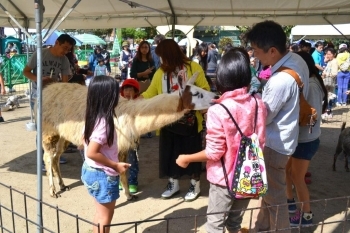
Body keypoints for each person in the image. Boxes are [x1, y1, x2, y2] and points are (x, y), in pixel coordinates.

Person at [176, 48, 267, 233]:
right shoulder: (259, 102)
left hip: (224, 179)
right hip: (249, 176)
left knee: (215, 225)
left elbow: (214, 152)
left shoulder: (219, 111)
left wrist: (187, 158)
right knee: (234, 223)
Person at [244, 20, 309, 232]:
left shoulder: (280, 80)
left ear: (272, 51)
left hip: (274, 145)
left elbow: (265, 116)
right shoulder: (297, 60)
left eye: (255, 50)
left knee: (276, 199)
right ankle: (261, 228)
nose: (254, 56)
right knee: (270, 193)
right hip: (286, 140)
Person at [141, 39, 210, 201]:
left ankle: (195, 184)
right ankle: (173, 183)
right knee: (170, 153)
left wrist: (189, 94)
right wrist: (136, 99)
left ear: (169, 55)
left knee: (191, 152)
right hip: (168, 122)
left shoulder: (194, 67)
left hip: (190, 121)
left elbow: (205, 90)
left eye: (162, 57)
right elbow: (151, 93)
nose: (160, 60)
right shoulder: (160, 73)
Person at [81, 75, 130, 233]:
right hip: (103, 175)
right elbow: (92, 152)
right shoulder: (104, 123)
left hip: (90, 170)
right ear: (109, 97)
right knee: (105, 218)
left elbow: (84, 141)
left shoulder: (91, 116)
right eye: (116, 93)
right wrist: (115, 164)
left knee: (100, 214)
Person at [286, 51, 328, 227]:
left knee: (298, 179)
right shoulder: (309, 81)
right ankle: (290, 204)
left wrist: (291, 118)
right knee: (287, 172)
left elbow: (311, 117)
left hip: (305, 141)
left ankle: (307, 216)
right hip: (300, 139)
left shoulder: (311, 84)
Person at [23, 33, 75, 167]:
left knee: (57, 127)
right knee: (42, 128)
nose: (65, 51)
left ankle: (55, 155)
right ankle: (42, 158)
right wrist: (39, 79)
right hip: (38, 95)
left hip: (53, 97)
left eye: (68, 49)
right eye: (64, 47)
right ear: (56, 42)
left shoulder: (64, 60)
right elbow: (26, 71)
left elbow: (64, 82)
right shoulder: (40, 53)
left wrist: (62, 93)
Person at [120, 79, 141, 193]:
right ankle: (121, 180)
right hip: (120, 137)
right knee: (119, 159)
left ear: (135, 91)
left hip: (133, 137)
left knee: (133, 160)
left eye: (130, 89)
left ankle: (133, 181)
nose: (127, 92)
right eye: (125, 89)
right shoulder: (119, 102)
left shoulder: (138, 103)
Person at [322, 47, 338, 113]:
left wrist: (326, 75)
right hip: (326, 81)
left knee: (329, 97)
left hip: (330, 82)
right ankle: (326, 110)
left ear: (334, 54)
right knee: (326, 97)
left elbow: (334, 73)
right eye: (327, 54)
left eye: (329, 54)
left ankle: (328, 111)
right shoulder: (330, 61)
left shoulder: (334, 62)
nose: (327, 55)